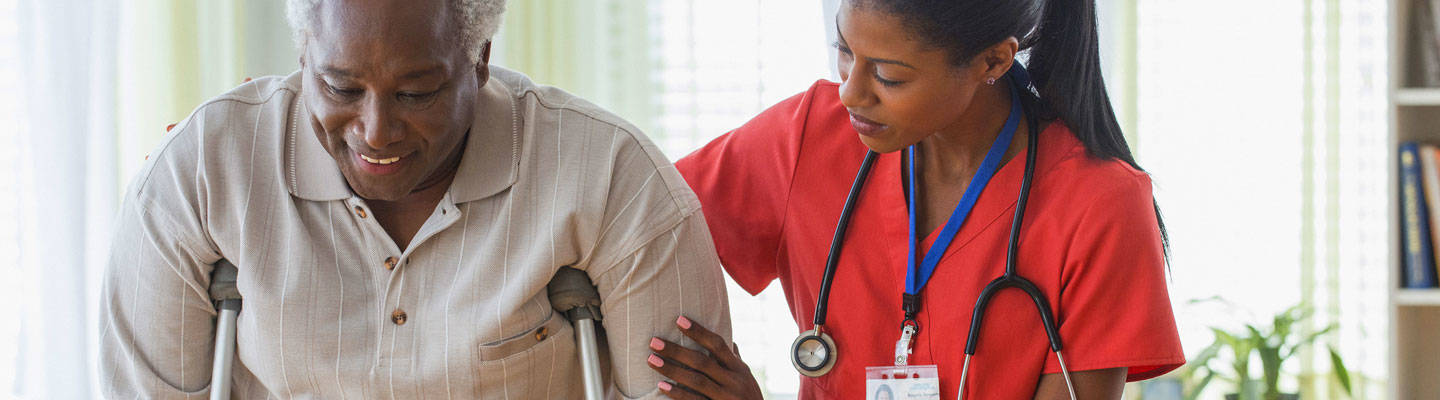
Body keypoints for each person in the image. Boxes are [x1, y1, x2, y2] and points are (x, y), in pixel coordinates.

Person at [98, 0, 731, 398]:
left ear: (479, 61)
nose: (375, 132)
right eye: (340, 87)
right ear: (304, 56)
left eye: (416, 93)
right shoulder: (202, 169)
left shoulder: (612, 174)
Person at [650, 0, 1184, 399]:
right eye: (845, 52)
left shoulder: (1100, 204)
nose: (850, 92)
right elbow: (633, 220)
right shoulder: (807, 136)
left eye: (889, 75)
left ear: (993, 61)